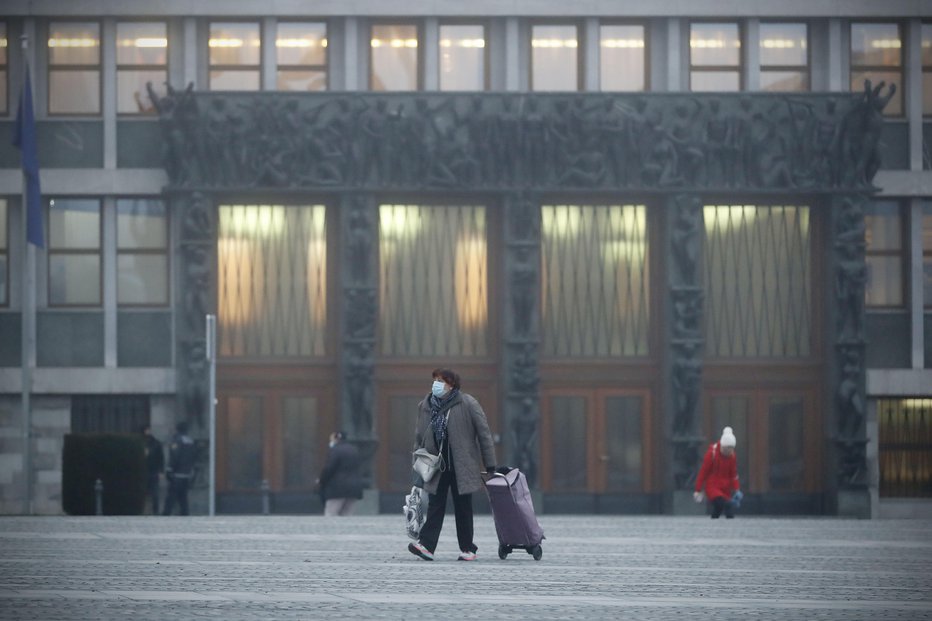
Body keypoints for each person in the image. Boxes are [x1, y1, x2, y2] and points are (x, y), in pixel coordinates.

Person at [408, 368, 497, 562]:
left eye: (441, 381)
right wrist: (417, 463)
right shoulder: (425, 405)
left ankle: (468, 548)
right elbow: (419, 436)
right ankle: (426, 546)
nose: (436, 384)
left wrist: (490, 464)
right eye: (435, 380)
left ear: (452, 384)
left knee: (463, 507)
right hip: (436, 465)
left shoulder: (467, 403)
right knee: (435, 505)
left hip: (462, 465)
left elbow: (484, 434)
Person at [694, 426, 741, 519]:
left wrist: (737, 489)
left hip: (725, 489)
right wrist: (698, 490)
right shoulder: (712, 454)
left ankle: (717, 525)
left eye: (731, 449)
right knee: (725, 504)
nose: (729, 452)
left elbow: (733, 474)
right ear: (722, 446)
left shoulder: (732, 456)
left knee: (719, 509)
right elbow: (703, 472)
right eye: (727, 449)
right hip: (713, 488)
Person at [316, 431, 364, 516]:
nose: (330, 441)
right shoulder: (354, 450)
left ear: (336, 439)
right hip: (354, 488)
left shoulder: (335, 450)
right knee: (347, 515)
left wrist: (321, 480)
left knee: (331, 514)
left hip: (337, 488)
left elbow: (329, 468)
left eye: (331, 439)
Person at [162, 421, 197, 516]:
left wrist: (169, 469)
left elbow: (174, 455)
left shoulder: (177, 440)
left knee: (171, 497)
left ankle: (166, 514)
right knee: (183, 498)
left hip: (177, 474)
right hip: (186, 473)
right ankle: (185, 514)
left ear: (177, 429)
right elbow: (194, 456)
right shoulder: (190, 440)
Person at [141, 425, 164, 515]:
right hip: (143, 471)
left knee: (155, 494)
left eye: (149, 430)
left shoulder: (156, 443)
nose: (148, 431)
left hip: (153, 471)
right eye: (147, 430)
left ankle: (155, 512)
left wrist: (161, 471)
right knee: (143, 493)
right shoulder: (140, 442)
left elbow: (161, 458)